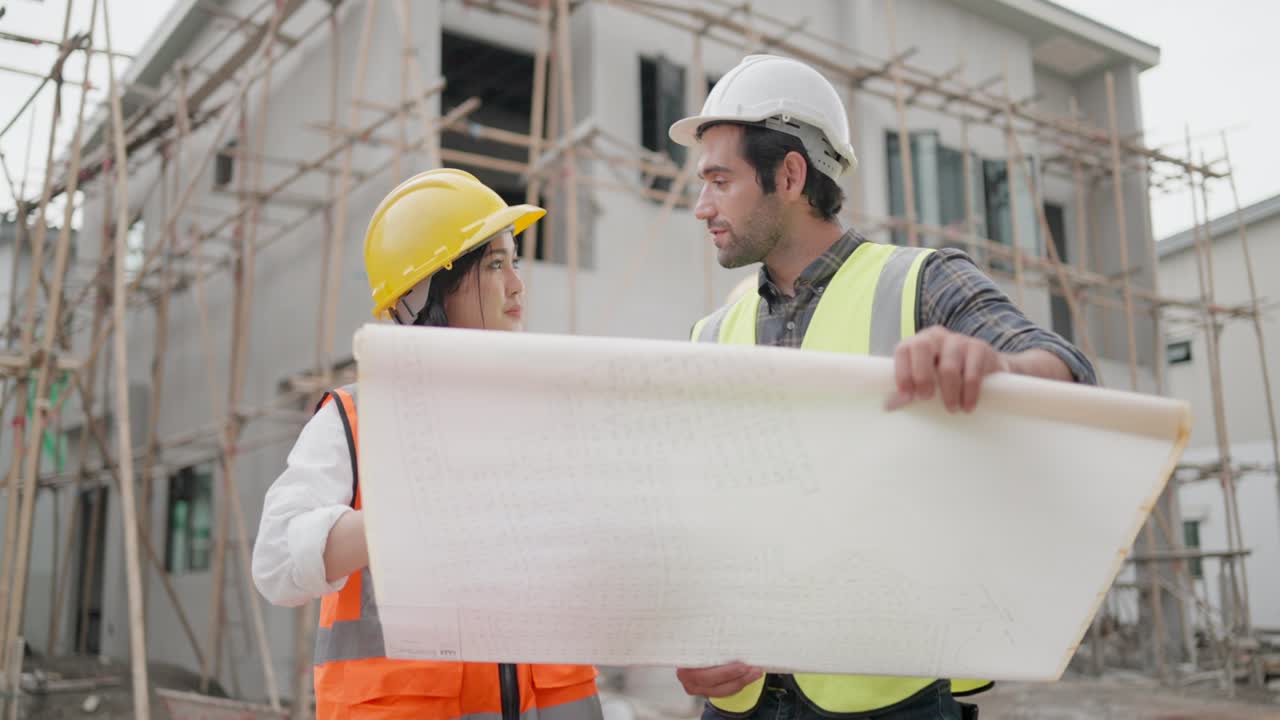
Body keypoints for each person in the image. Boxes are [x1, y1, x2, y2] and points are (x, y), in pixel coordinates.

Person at [667, 55, 1097, 720]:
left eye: (720, 181)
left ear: (789, 175)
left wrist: (993, 367)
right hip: (738, 701)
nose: (701, 207)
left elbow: (1064, 369)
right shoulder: (711, 332)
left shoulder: (921, 282)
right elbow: (695, 518)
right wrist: (686, 640)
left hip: (888, 695)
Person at [252, 168, 603, 720]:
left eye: (516, 262)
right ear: (430, 290)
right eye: (494, 264)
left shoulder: (539, 417)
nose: (517, 283)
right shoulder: (357, 417)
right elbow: (274, 563)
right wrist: (411, 516)